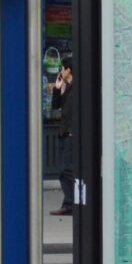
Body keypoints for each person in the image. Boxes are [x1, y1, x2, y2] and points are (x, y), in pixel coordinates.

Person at [50, 55, 75, 216]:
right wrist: (58, 89)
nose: (60, 71)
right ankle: (70, 202)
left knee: (67, 170)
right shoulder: (67, 87)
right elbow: (55, 106)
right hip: (64, 134)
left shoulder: (77, 88)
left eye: (62, 69)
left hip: (71, 135)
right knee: (65, 170)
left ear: (68, 70)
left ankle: (70, 203)